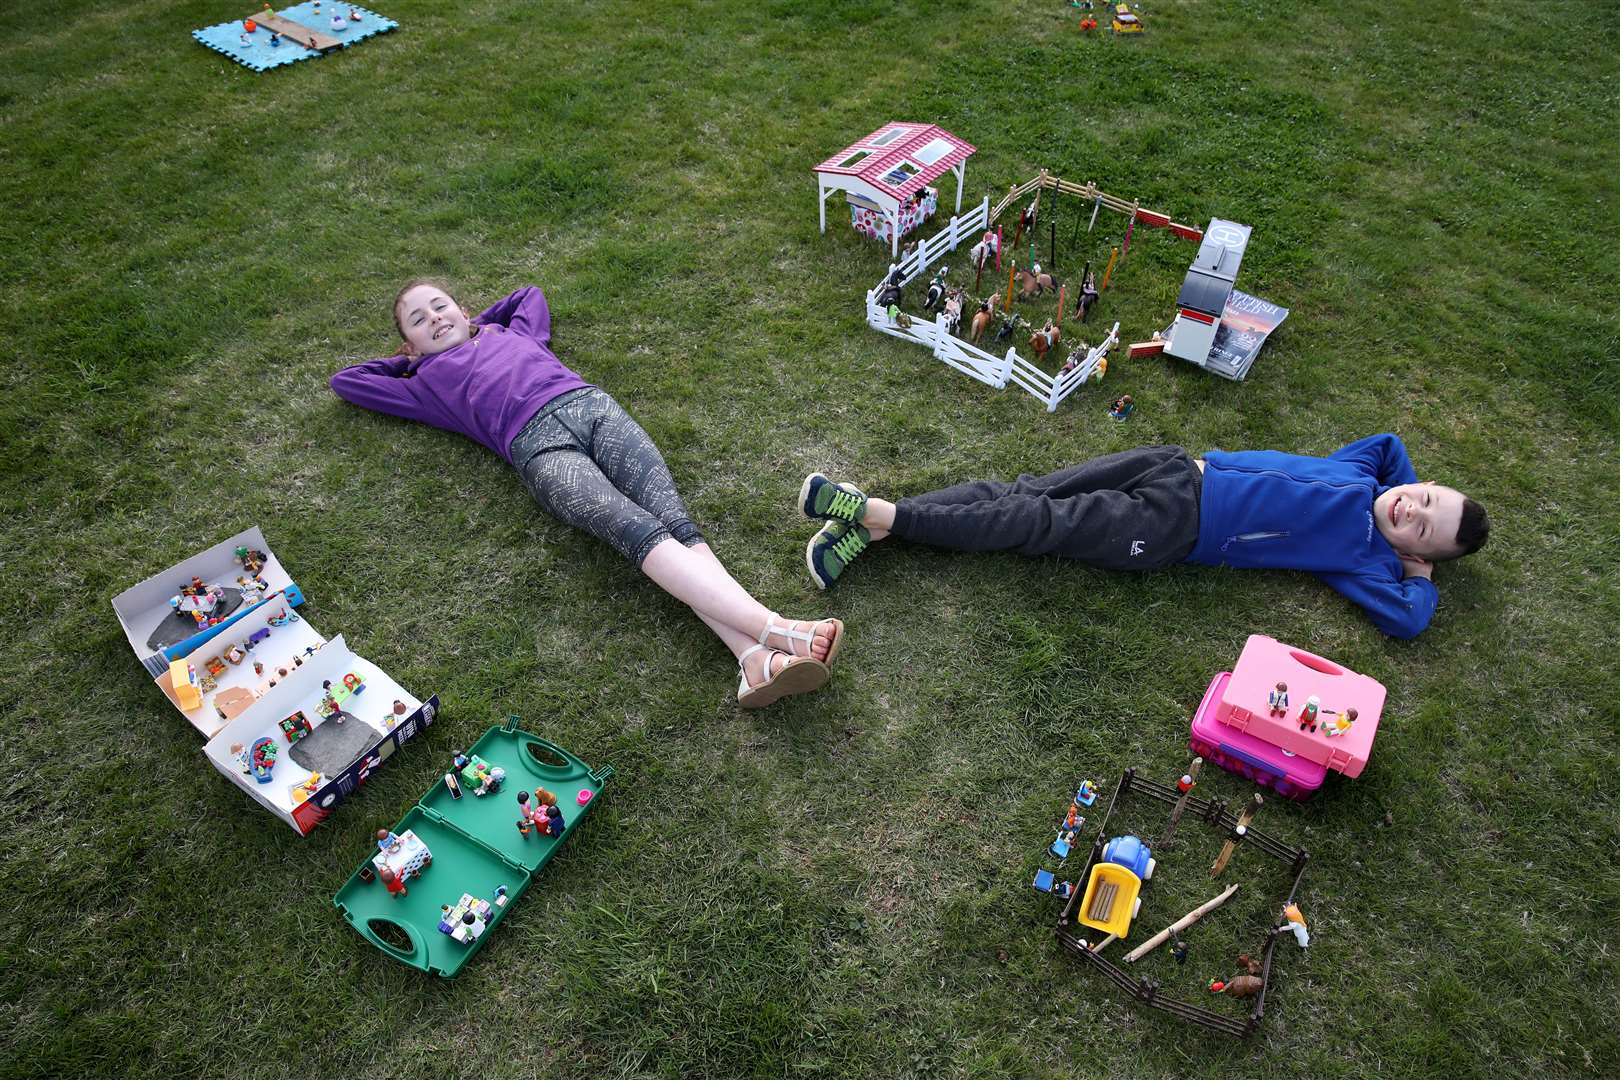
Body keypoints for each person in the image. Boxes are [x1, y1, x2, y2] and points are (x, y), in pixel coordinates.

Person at [331, 281, 843, 705]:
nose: (434, 318)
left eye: (440, 306)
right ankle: (777, 629)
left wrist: (475, 326)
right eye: (418, 321)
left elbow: (528, 293)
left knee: (675, 522)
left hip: (592, 409)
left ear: (462, 308)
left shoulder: (513, 331)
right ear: (409, 345)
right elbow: (348, 380)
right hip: (539, 446)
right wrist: (411, 359)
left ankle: (753, 660)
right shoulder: (423, 383)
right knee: (636, 528)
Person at [796, 434, 1488, 639]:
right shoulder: (1367, 475)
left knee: (1035, 523)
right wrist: (1419, 503)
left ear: (1418, 552)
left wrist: (1419, 577)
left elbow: (1406, 620)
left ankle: (885, 515)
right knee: (1028, 490)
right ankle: (874, 527)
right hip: (1173, 466)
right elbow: (1392, 445)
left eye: (1424, 528)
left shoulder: (1362, 556)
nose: (1411, 508)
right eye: (1424, 498)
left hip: (1170, 530)